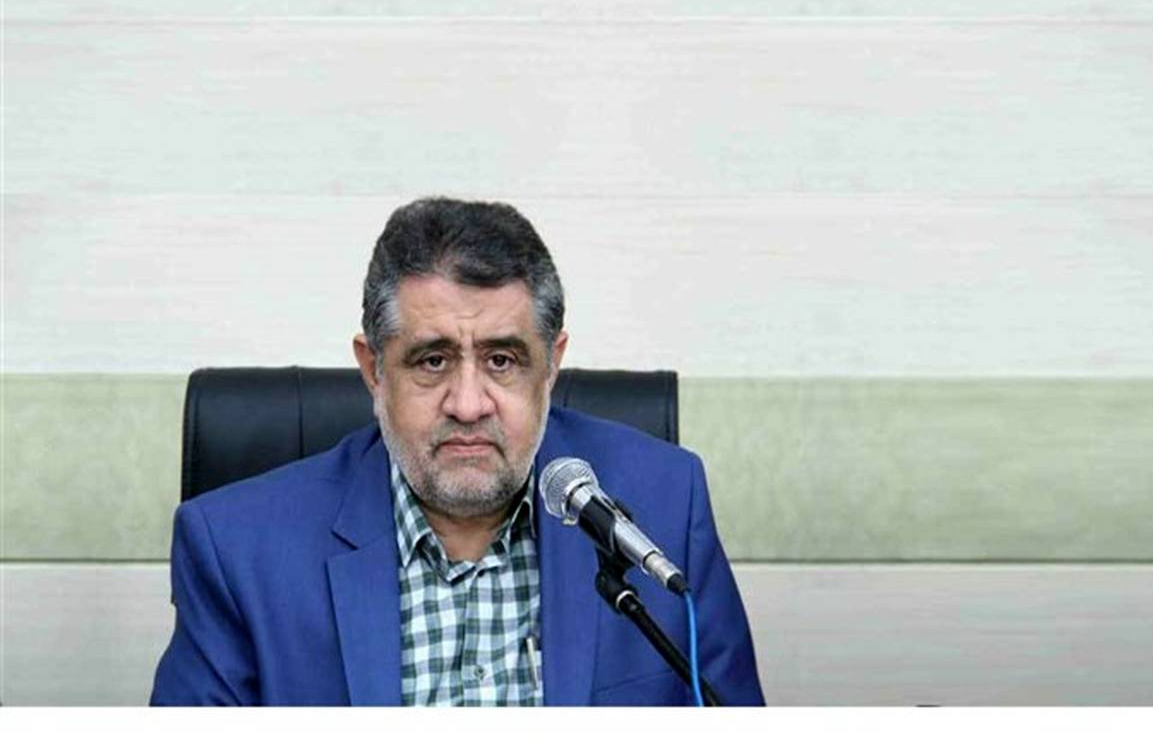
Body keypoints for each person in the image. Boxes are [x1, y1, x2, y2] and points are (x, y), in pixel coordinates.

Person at [150, 197, 764, 706]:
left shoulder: (665, 507)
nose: (468, 404)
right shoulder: (237, 550)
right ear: (374, 369)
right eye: (432, 360)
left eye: (502, 360)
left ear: (552, 365)